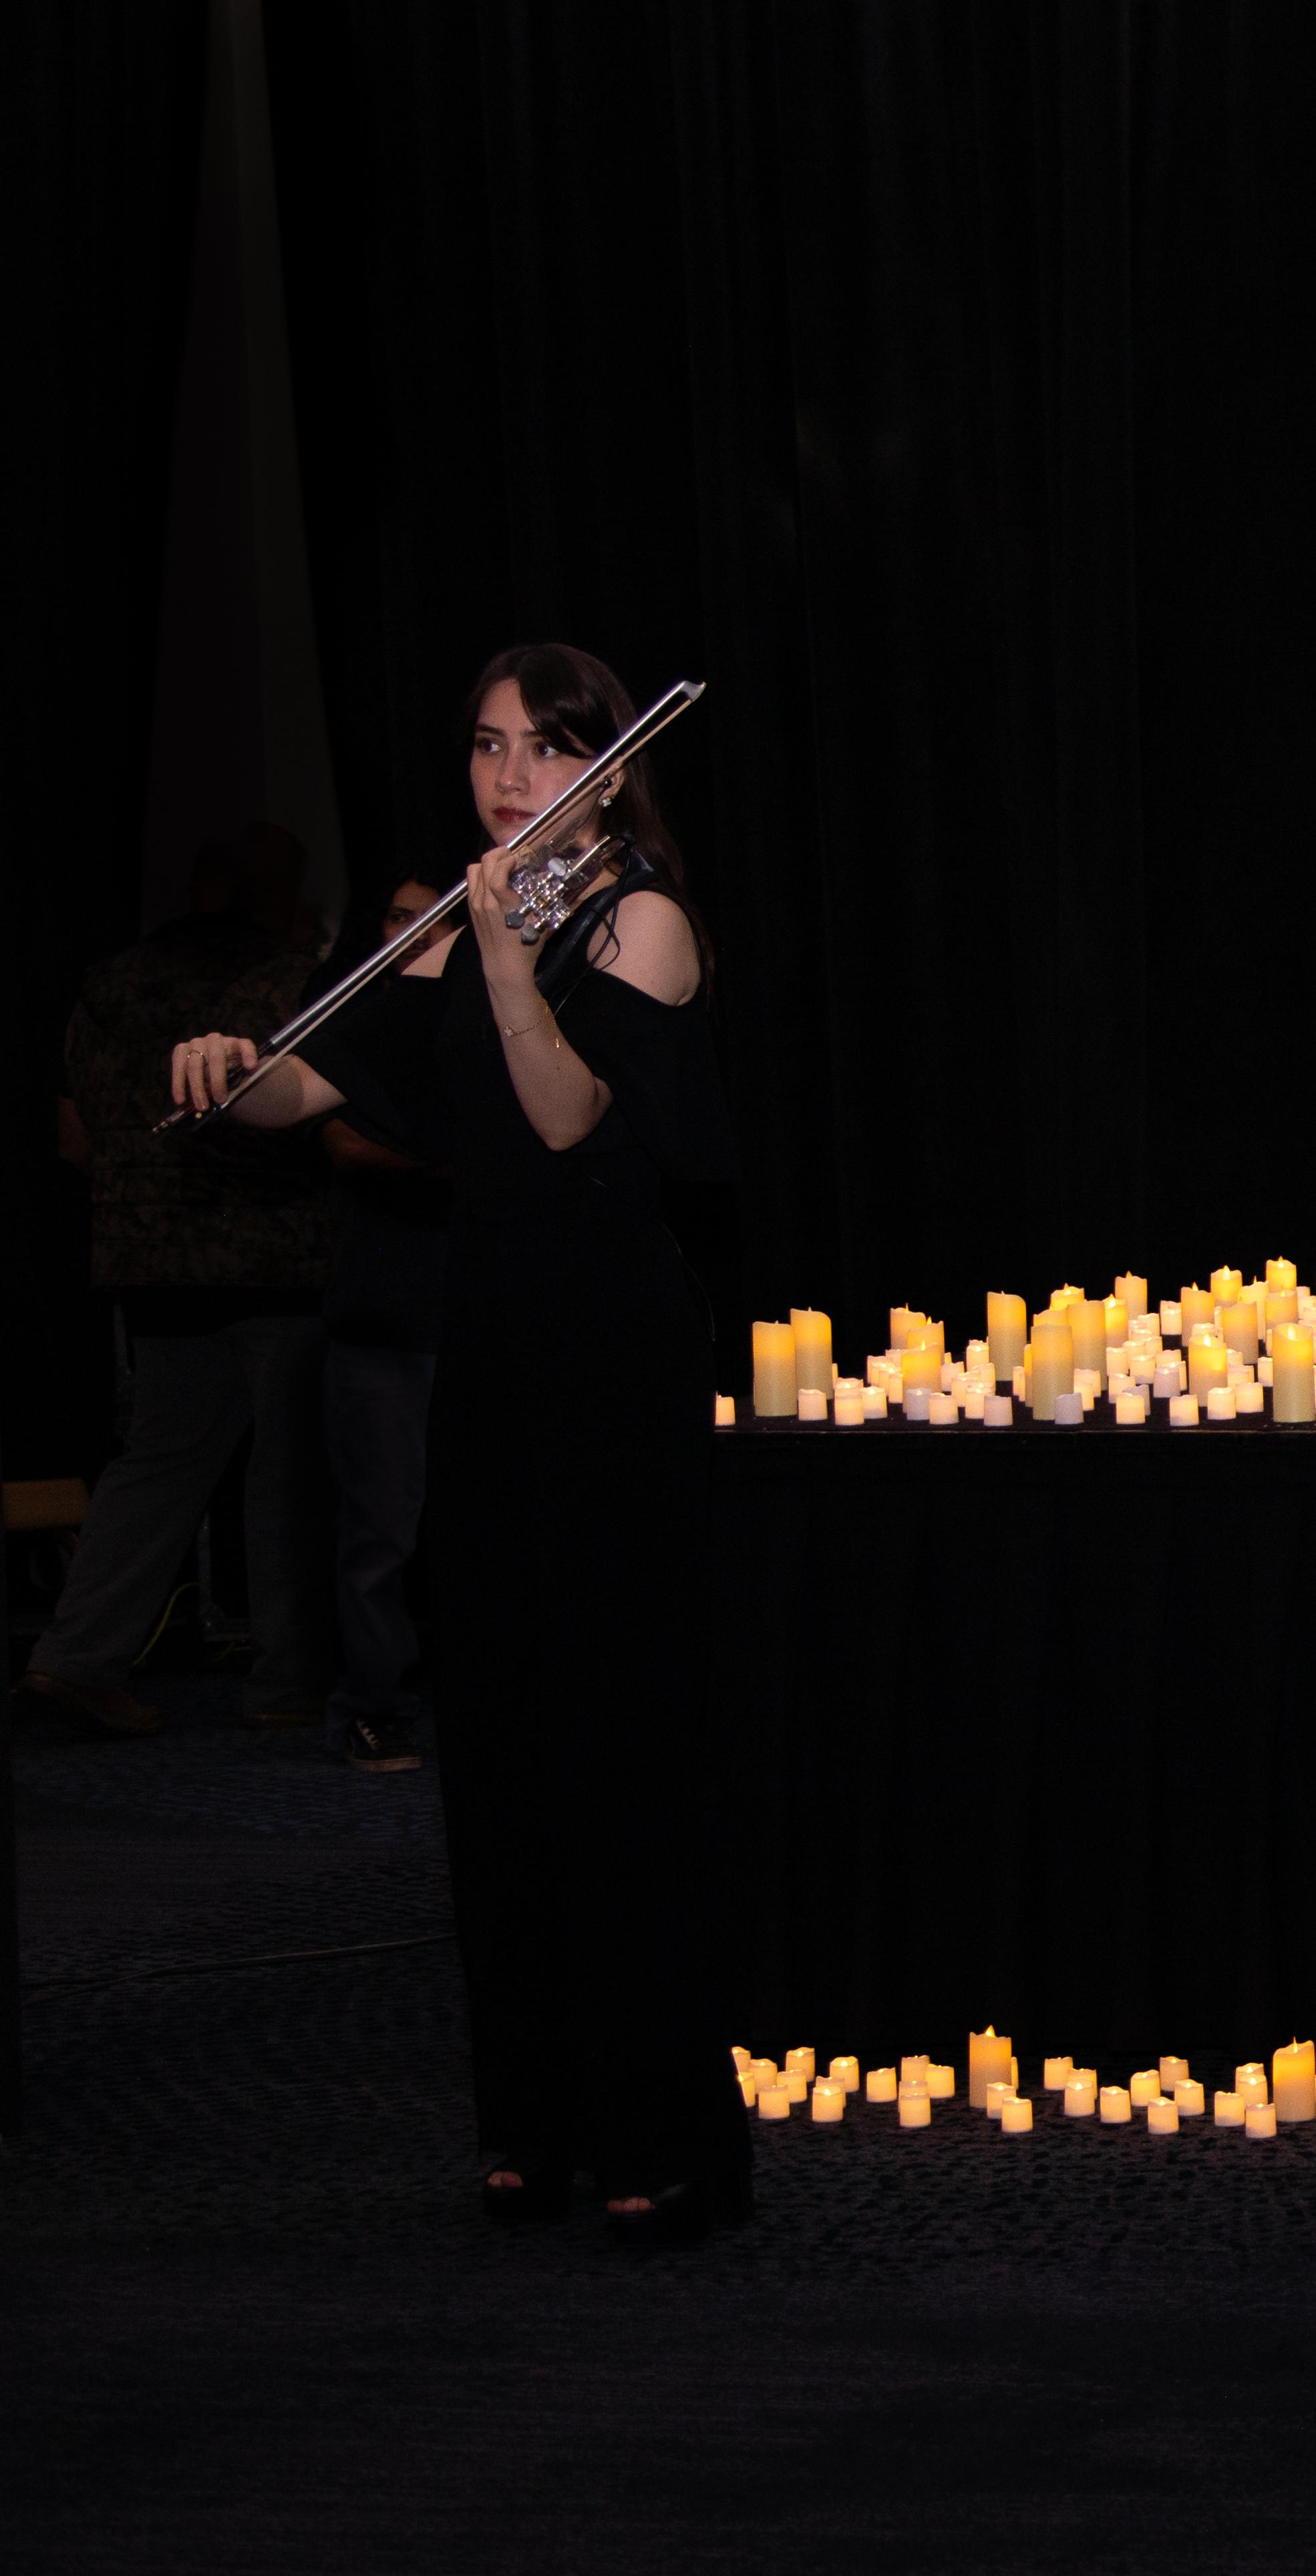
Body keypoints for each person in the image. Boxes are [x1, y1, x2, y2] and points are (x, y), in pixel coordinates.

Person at [168, 643, 744, 2246]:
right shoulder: (440, 925)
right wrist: (232, 1071)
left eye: (546, 748)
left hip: (614, 1366)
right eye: (489, 745)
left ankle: (662, 2134)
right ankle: (535, 2120)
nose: (508, 777)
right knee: (500, 1748)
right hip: (486, 1354)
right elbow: (316, 1085)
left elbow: (563, 1115)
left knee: (617, 1750)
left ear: (609, 769)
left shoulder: (638, 921)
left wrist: (496, 948)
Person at [19, 829, 336, 1740]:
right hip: (277, 1256)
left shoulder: (111, 982)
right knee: (287, 1472)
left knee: (157, 1461)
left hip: (151, 1258)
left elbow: (73, 1138)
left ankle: (76, 1660)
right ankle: (287, 1680)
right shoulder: (290, 981)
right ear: (277, 896)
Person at [314, 875, 456, 1774]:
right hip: (382, 1311)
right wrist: (449, 1164)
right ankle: (372, 1704)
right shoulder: (356, 1021)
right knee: (382, 1526)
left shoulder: (486, 1016)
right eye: (401, 917)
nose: (416, 933)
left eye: (432, 917)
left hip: (475, 1305)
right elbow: (341, 1139)